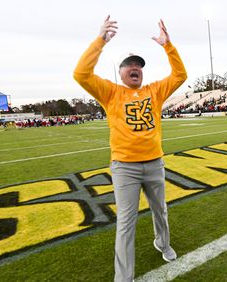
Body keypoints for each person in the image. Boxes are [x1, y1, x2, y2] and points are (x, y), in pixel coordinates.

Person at [73, 16, 187, 282]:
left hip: (155, 163)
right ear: (121, 71)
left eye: (138, 65)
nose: (135, 68)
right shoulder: (110, 92)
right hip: (125, 167)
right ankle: (123, 277)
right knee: (126, 222)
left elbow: (180, 75)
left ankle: (162, 243)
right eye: (129, 65)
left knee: (161, 211)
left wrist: (168, 46)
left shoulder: (155, 91)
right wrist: (100, 40)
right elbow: (80, 74)